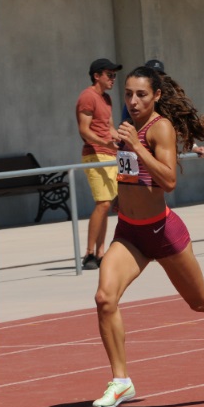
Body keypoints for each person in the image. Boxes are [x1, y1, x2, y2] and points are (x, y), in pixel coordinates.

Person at [90, 66, 204, 407]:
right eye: (128, 94)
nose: (133, 100)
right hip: (129, 233)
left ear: (156, 96)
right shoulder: (127, 129)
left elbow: (169, 181)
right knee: (104, 298)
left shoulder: (160, 128)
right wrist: (116, 144)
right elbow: (129, 176)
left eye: (141, 94)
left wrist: (137, 148)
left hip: (162, 231)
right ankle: (121, 381)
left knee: (200, 301)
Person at [76, 58, 122, 270]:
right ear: (97, 76)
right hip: (94, 155)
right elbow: (84, 130)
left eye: (114, 75)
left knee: (108, 205)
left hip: (110, 155)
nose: (113, 79)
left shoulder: (106, 99)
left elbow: (110, 128)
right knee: (102, 203)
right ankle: (88, 254)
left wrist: (122, 142)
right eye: (109, 74)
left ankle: (101, 252)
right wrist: (105, 143)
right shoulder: (88, 97)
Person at [121, 59, 204, 158]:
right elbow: (125, 127)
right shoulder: (133, 103)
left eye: (159, 75)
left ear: (157, 94)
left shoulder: (165, 119)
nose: (133, 101)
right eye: (128, 94)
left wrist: (194, 147)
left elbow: (181, 125)